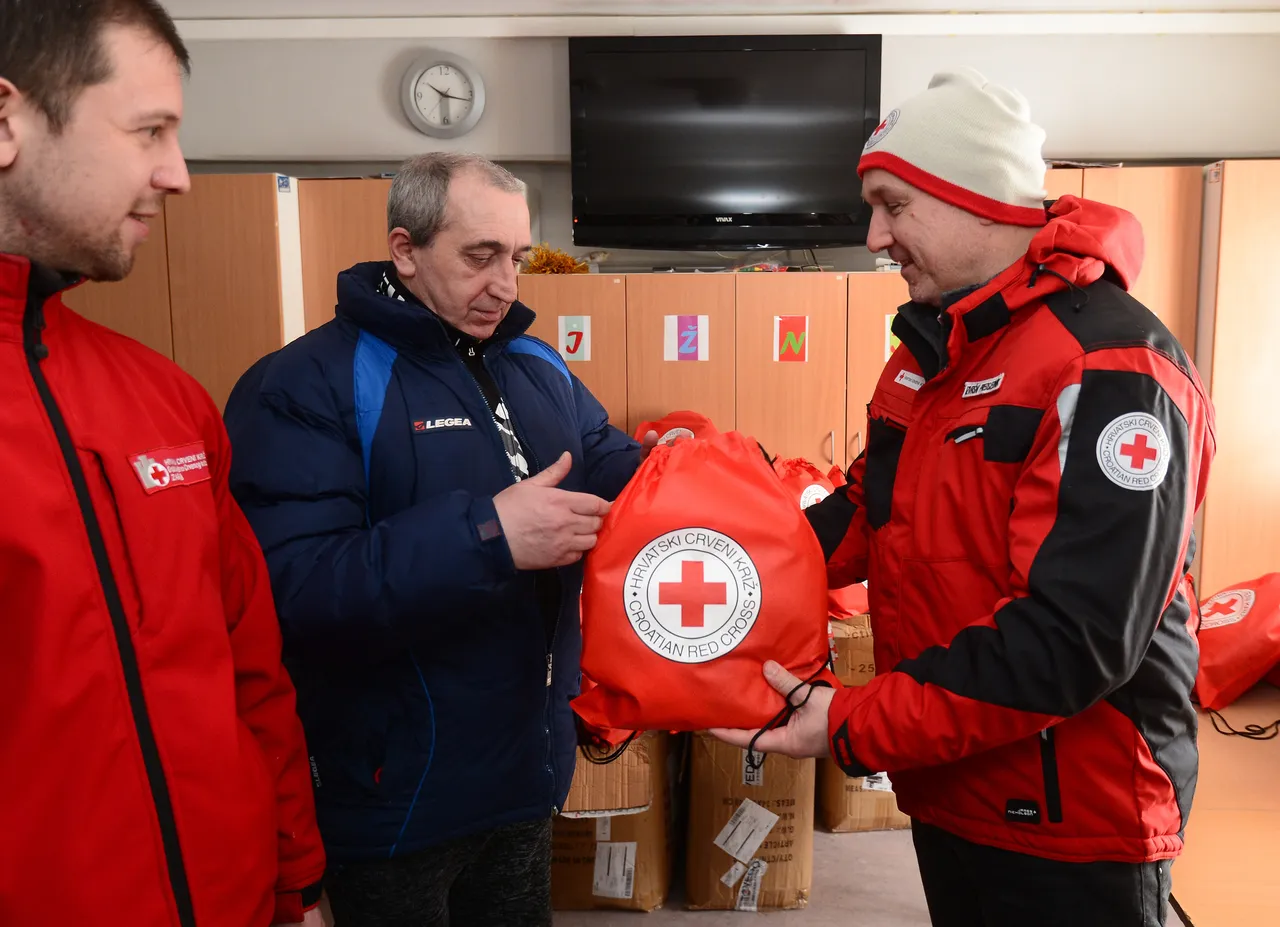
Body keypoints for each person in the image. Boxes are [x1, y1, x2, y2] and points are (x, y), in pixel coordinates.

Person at [715, 68, 1215, 927]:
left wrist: (852, 721)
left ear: (977, 198)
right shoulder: (927, 355)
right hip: (948, 780)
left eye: (893, 205)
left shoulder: (1111, 369)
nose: (874, 235)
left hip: (1077, 820)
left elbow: (1074, 640)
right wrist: (719, 564)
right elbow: (869, 512)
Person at [223, 152, 652, 927]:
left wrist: (703, 475)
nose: (505, 283)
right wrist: (490, 535)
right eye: (479, 256)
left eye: (516, 257)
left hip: (523, 775)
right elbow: (293, 587)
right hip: (393, 799)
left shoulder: (536, 362)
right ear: (405, 249)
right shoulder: (303, 384)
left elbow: (610, 460)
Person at [0, 2, 327, 925]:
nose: (177, 174)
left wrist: (294, 879)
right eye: (150, 130)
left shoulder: (168, 402)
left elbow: (250, 673)